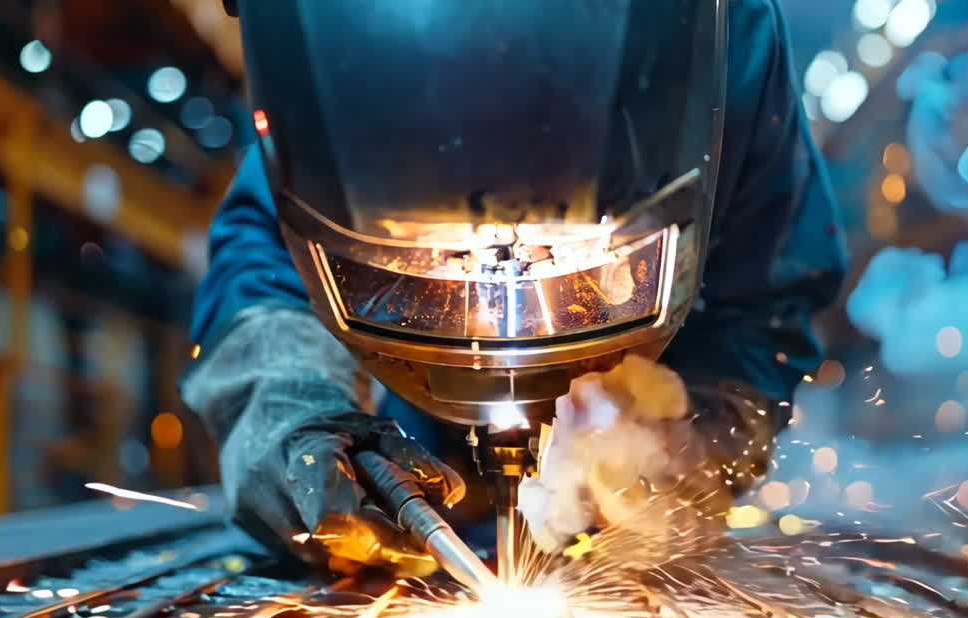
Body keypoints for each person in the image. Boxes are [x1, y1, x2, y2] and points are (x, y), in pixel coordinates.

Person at [182, 0, 846, 571]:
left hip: (613, 445)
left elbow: (766, 305)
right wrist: (297, 416)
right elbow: (266, 267)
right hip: (416, 464)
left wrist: (685, 448)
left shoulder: (730, 38)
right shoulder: (323, 63)